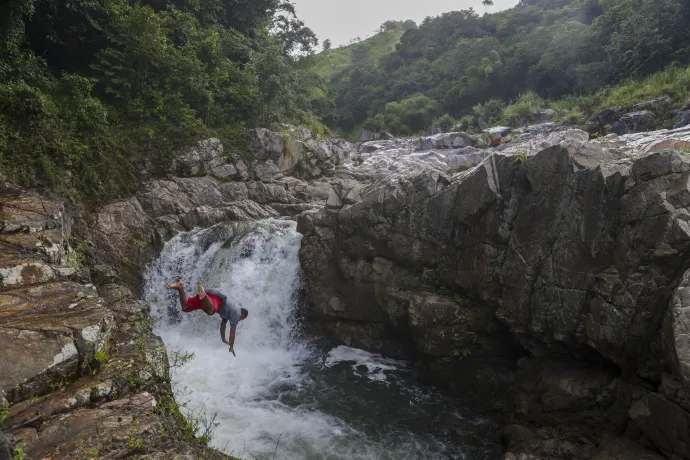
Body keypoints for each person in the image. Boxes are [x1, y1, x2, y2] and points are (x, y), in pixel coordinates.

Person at [167, 281, 248, 356]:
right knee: (211, 311)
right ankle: (204, 295)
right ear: (243, 316)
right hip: (216, 297)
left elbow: (223, 326)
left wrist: (223, 339)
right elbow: (232, 332)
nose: (239, 320)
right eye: (241, 319)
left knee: (186, 307)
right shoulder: (237, 313)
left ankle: (180, 288)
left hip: (208, 299)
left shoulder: (228, 314)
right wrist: (231, 347)